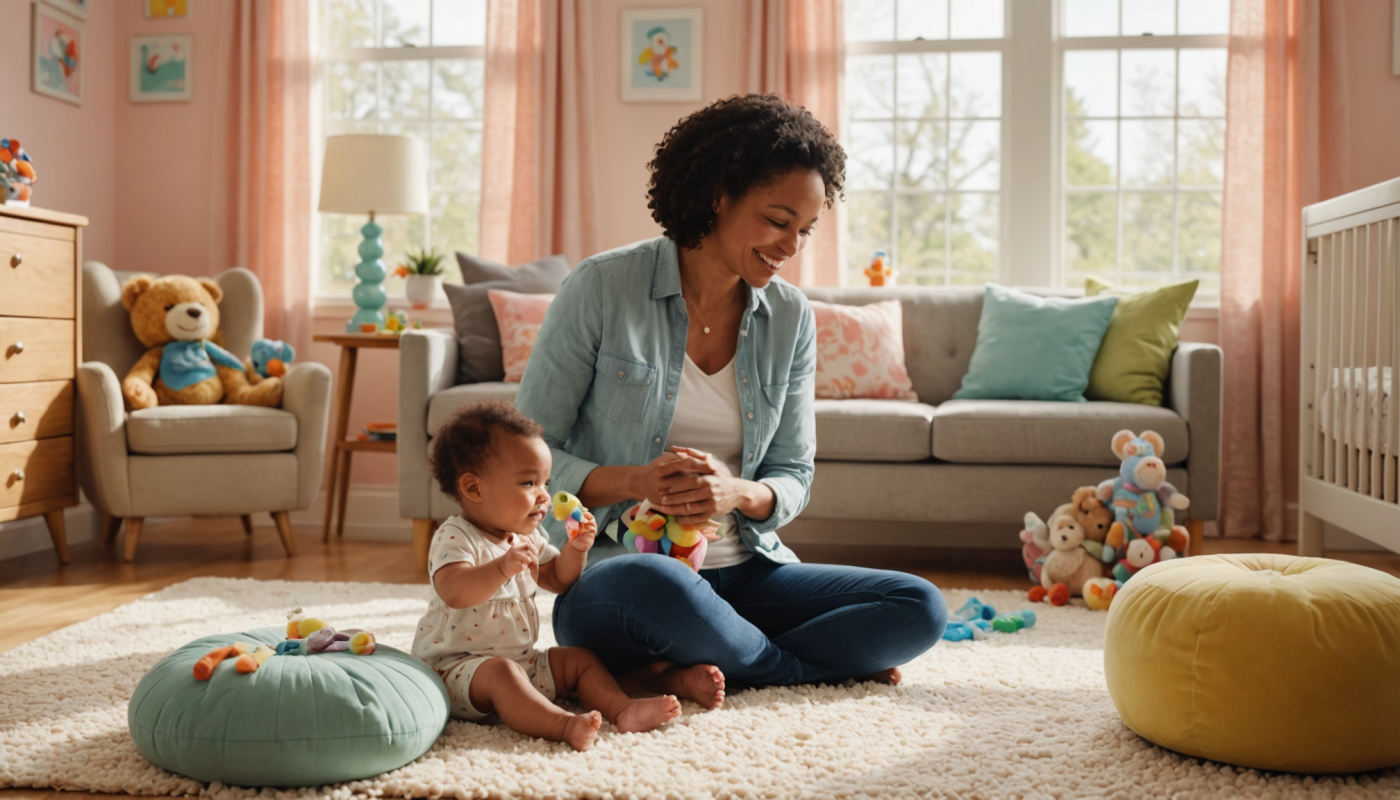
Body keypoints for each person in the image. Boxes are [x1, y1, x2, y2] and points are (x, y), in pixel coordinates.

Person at [514, 94, 947, 699]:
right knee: (647, 583)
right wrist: (640, 482)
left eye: (805, 229)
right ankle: (793, 669)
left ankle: (700, 663)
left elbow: (794, 471)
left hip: (746, 574)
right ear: (719, 195)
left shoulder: (790, 316)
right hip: (624, 576)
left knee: (919, 605)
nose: (791, 245)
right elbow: (527, 457)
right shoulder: (602, 288)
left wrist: (736, 491)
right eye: (777, 221)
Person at [411, 401, 682, 752]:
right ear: (474, 489)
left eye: (545, 482)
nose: (544, 495)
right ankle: (563, 724)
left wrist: (577, 549)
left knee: (579, 660)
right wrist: (501, 568)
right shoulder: (456, 537)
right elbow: (454, 591)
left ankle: (623, 708)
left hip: (522, 661)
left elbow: (557, 578)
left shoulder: (525, 537)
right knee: (502, 673)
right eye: (528, 482)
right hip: (457, 670)